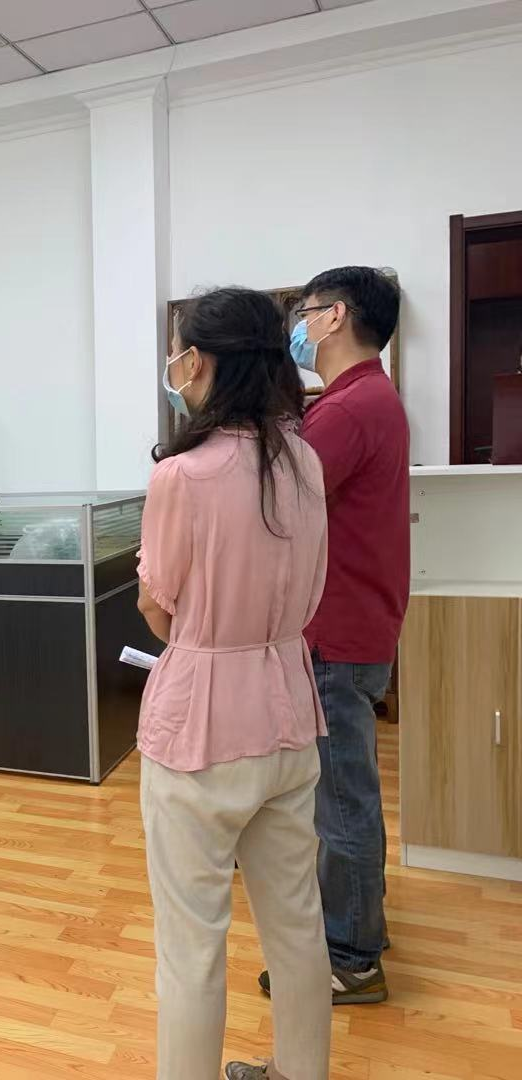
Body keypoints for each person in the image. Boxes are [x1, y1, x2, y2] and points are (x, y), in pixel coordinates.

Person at [138, 287, 332, 1080]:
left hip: (200, 731)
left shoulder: (182, 475)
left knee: (191, 945)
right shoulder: (305, 460)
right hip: (289, 711)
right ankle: (299, 1071)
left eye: (179, 352)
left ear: (201, 361)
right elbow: (313, 588)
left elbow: (159, 611)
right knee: (297, 921)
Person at [258, 266, 407, 1006]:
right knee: (346, 788)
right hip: (358, 622)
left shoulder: (348, 409)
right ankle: (354, 924)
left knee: (342, 798)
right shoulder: (367, 398)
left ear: (335, 316)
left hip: (338, 631)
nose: (299, 327)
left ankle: (351, 955)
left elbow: (277, 500)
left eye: (304, 313)